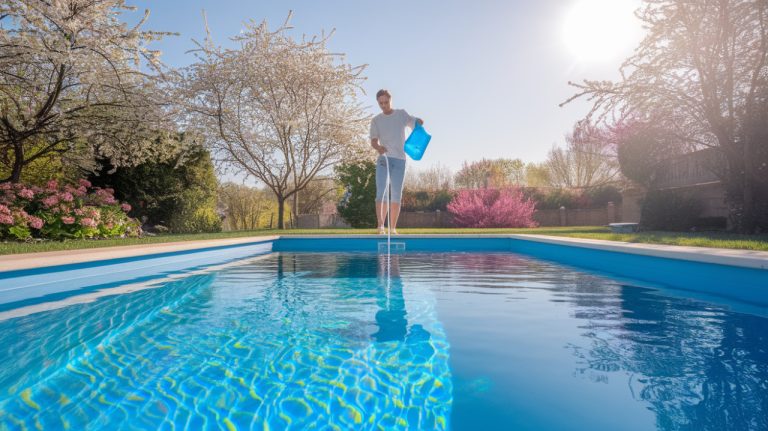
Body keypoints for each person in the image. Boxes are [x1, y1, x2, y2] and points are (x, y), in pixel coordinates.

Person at [370, 89, 423, 235]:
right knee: (381, 192)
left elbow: (414, 123)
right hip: (384, 159)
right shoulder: (376, 120)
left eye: (386, 102)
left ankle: (392, 228)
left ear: (390, 100)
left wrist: (419, 122)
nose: (384, 105)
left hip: (400, 160)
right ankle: (381, 226)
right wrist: (379, 147)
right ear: (378, 103)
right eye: (381, 103)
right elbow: (373, 141)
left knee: (396, 194)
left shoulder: (401, 114)